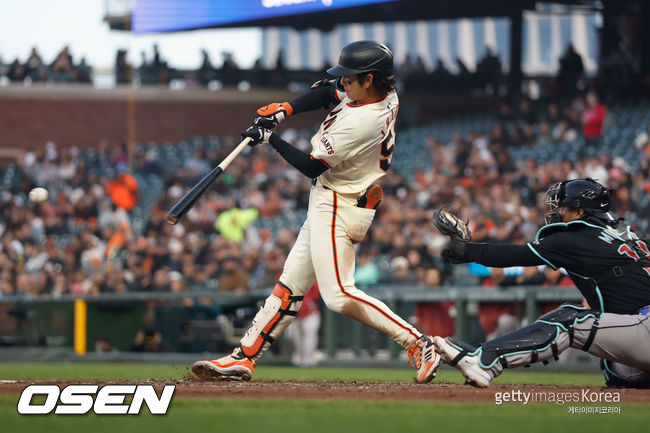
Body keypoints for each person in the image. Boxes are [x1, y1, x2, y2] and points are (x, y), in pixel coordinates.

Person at [192, 40, 440, 383]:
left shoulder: (362, 121)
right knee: (289, 285)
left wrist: (270, 138)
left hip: (339, 201)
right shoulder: (378, 93)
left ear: (369, 79)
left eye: (350, 77)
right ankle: (244, 357)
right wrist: (285, 111)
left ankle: (417, 343)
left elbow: (311, 166)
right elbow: (327, 92)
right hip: (334, 197)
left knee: (338, 295)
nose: (343, 82)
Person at [433, 178, 650, 388]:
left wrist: (465, 250)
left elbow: (515, 255)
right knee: (618, 371)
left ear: (579, 212)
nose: (557, 213)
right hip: (641, 328)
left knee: (570, 320)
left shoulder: (579, 237)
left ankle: (483, 361)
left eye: (562, 208)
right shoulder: (634, 238)